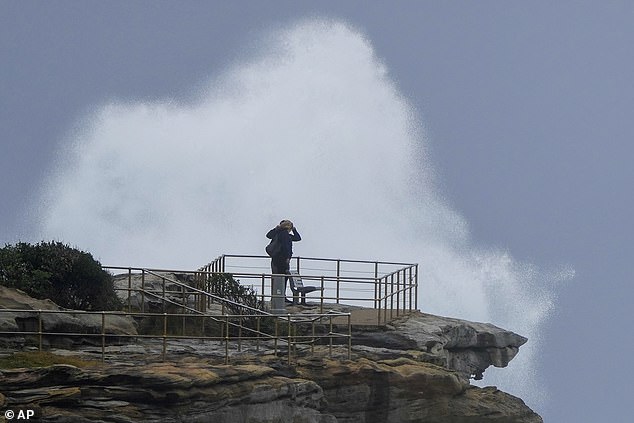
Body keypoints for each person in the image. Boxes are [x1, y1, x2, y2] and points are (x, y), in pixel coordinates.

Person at [266, 220, 301, 302]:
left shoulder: (278, 233)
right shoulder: (285, 235)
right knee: (283, 278)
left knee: (277, 278)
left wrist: (276, 229)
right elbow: (287, 247)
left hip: (275, 260)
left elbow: (268, 235)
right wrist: (288, 258)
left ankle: (276, 296)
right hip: (282, 260)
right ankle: (281, 297)